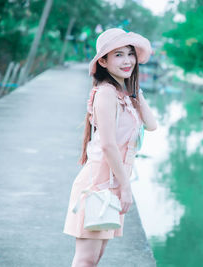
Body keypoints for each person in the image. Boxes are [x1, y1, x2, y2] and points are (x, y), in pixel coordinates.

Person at [63, 28, 157, 266]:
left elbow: (152, 124)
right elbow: (107, 145)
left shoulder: (123, 95)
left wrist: (134, 88)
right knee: (86, 260)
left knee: (95, 258)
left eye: (130, 54)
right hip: (98, 184)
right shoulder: (105, 93)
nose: (127, 61)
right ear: (103, 61)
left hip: (111, 185)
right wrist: (126, 187)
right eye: (118, 55)